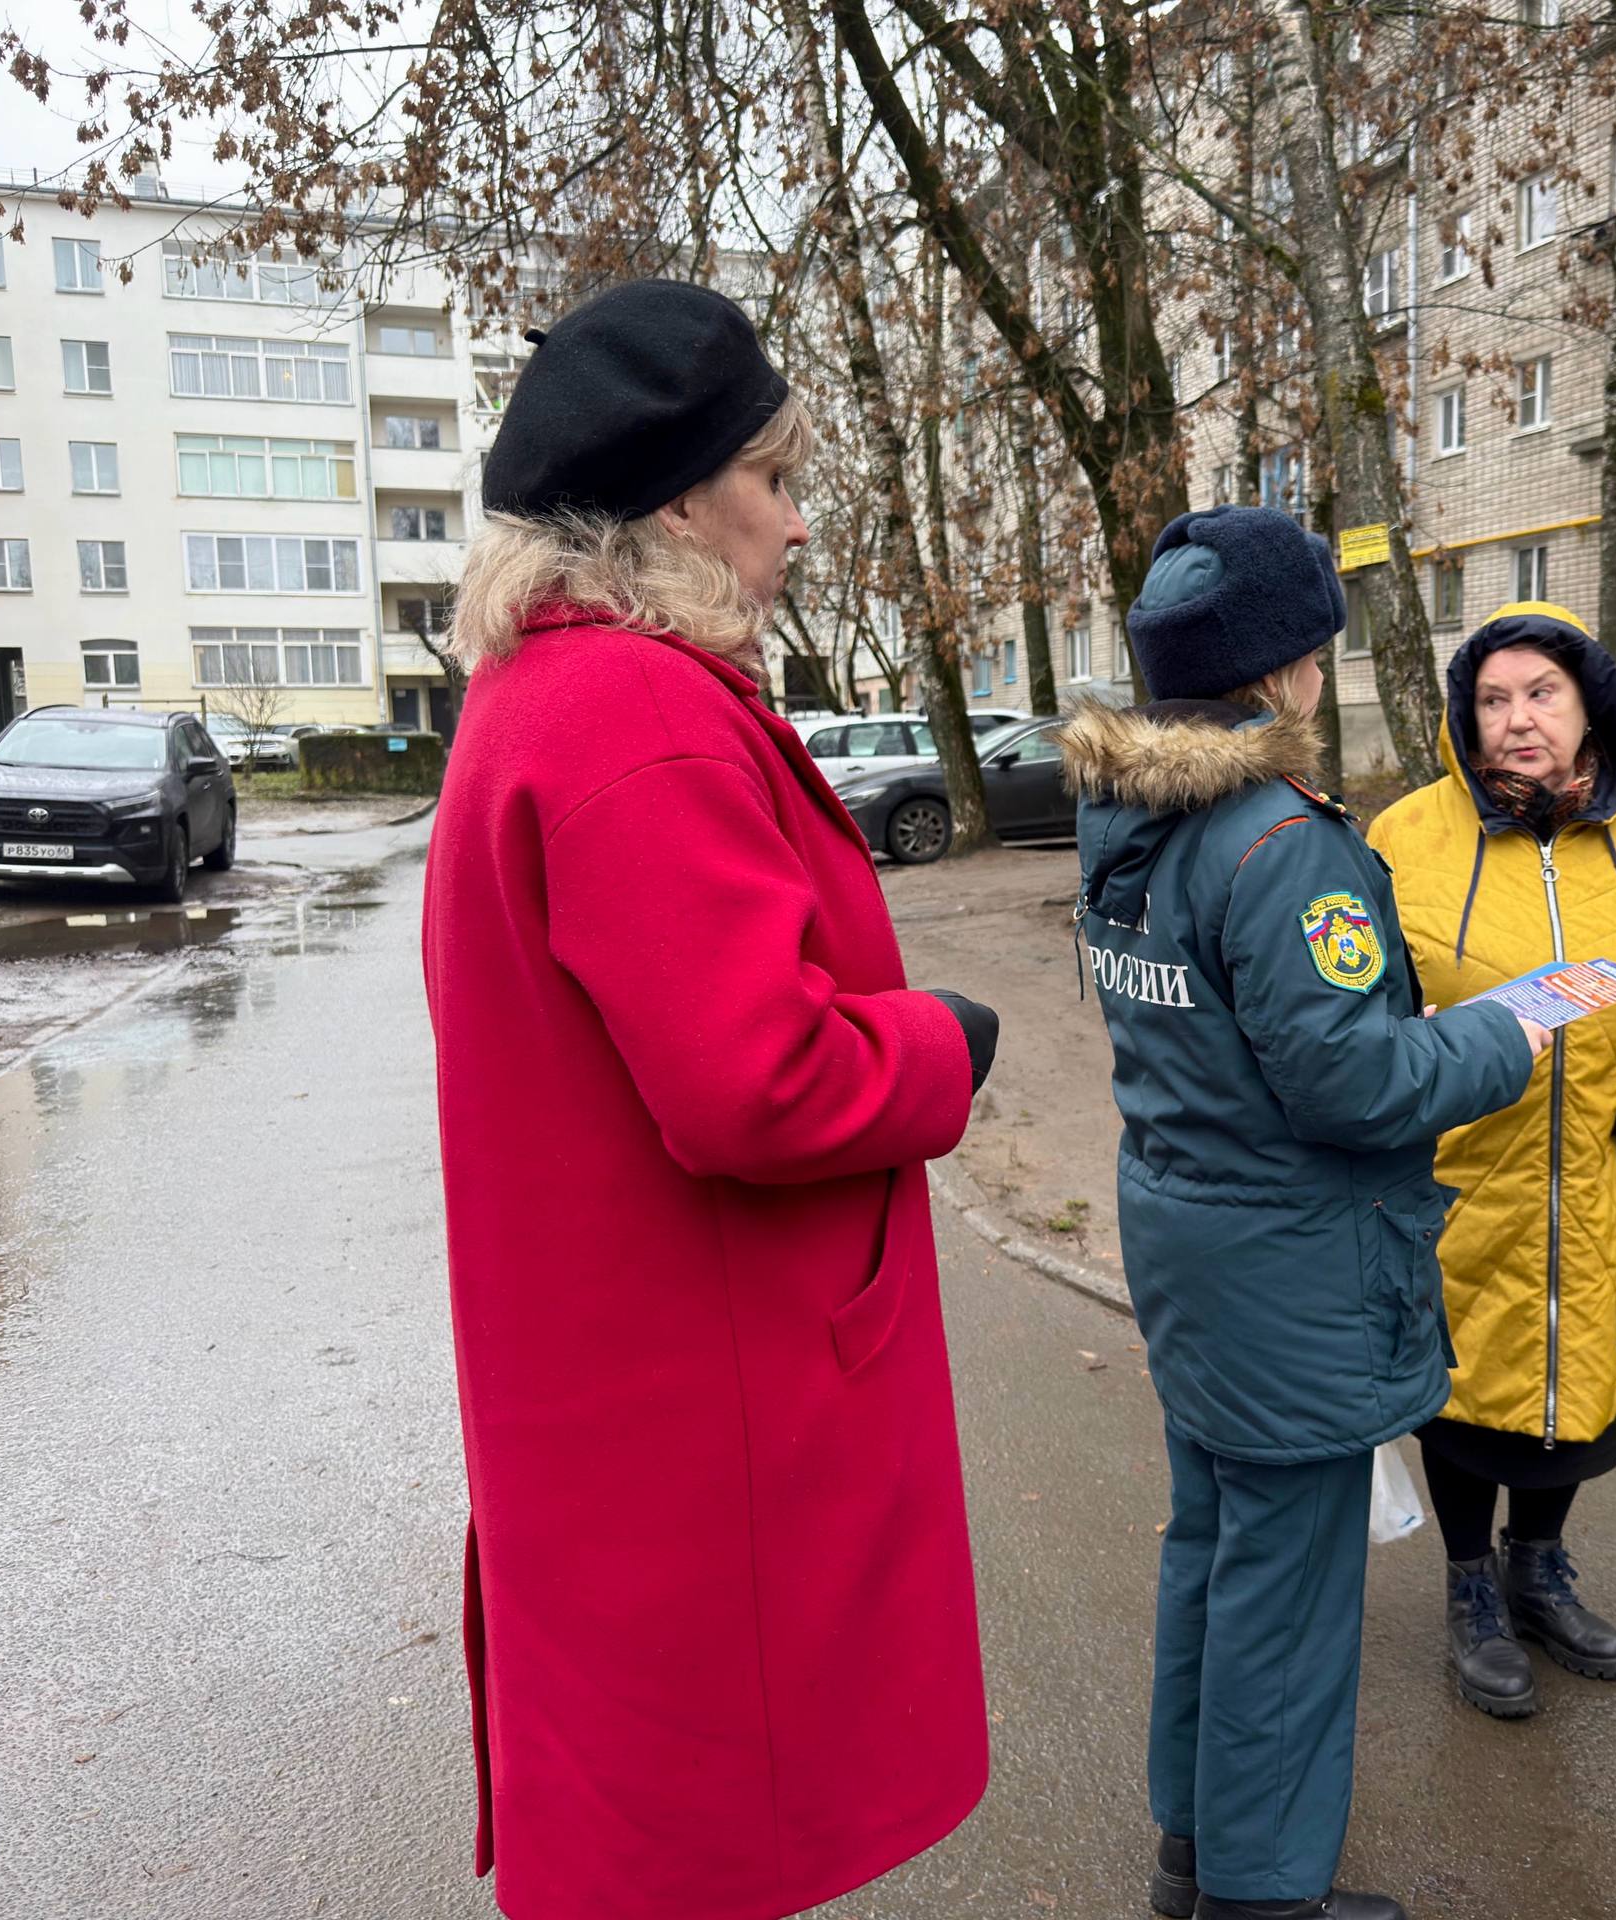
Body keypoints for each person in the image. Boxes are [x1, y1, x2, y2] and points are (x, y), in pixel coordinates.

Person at [421, 280, 1002, 1920]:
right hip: (704, 1414)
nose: (798, 521)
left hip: (635, 1394)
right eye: (775, 477)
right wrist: (940, 1049)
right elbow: (756, 1086)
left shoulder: (551, 698)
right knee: (700, 1845)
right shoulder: (634, 711)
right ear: (680, 498)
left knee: (658, 1841)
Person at [1058, 507, 1550, 1920]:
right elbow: (1351, 1083)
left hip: (1193, 1235)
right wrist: (1504, 1035)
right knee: (1285, 1589)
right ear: (1285, 666)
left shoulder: (1128, 810)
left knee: (1211, 1547)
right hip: (1293, 1261)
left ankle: (1198, 1849)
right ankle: (1264, 1898)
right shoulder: (1281, 840)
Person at [1367, 601, 1616, 1720]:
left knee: (1574, 1396)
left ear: (1592, 706)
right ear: (1462, 718)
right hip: (1454, 1176)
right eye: (1493, 700)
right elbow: (1364, 1012)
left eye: (1541, 693)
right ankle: (1469, 1587)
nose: (1518, 719)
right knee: (1460, 1397)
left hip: (1600, 1176)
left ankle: (1538, 1571)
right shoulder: (1405, 838)